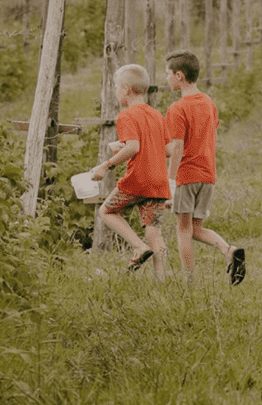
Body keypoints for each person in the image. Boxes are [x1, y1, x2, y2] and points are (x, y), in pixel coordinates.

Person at [165, 49, 246, 286]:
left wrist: (169, 181)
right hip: (207, 174)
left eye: (168, 74)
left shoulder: (177, 109)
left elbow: (177, 148)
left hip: (186, 175)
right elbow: (210, 137)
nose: (166, 79)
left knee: (183, 230)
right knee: (196, 228)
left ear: (179, 76)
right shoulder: (209, 102)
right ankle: (229, 250)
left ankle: (189, 282)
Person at [92, 64, 174, 280]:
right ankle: (162, 283)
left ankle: (138, 247)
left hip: (138, 180)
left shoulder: (126, 116)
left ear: (126, 89)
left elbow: (133, 147)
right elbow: (167, 150)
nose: (116, 92)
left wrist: (105, 165)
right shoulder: (156, 114)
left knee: (107, 212)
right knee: (154, 231)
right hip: (158, 182)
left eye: (117, 88)